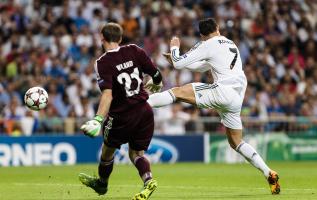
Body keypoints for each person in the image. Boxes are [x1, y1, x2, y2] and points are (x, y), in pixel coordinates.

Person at [147, 18, 280, 195]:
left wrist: (174, 47)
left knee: (178, 92)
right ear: (217, 28)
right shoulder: (229, 43)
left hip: (222, 91)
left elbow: (180, 63)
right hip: (237, 96)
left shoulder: (206, 44)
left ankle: (140, 103)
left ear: (202, 35)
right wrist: (175, 60)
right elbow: (202, 67)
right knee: (236, 142)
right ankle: (268, 172)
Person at [79, 22, 163, 200]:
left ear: (102, 38)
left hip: (122, 116)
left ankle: (102, 184)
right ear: (121, 38)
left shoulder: (102, 62)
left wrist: (98, 119)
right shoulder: (135, 50)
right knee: (136, 154)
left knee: (107, 151)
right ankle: (148, 180)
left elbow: (107, 95)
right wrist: (156, 83)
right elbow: (156, 75)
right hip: (144, 110)